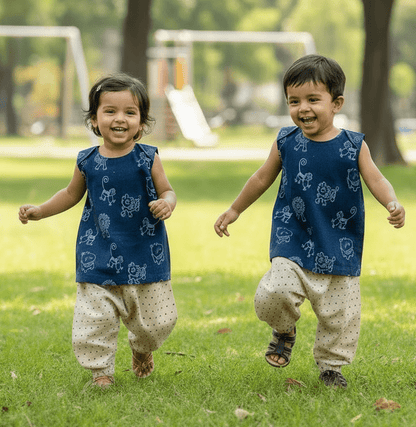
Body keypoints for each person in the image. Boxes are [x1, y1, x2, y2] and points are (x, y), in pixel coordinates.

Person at [214, 55, 405, 389]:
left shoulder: (353, 145)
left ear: (337, 103)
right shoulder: (286, 142)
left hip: (339, 242)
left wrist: (391, 202)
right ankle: (284, 330)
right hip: (293, 239)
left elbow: (375, 179)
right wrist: (234, 210)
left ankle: (331, 367)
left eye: (313, 100)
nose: (302, 108)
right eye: (294, 101)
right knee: (273, 292)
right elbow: (261, 179)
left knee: (340, 315)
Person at [19, 73, 178, 388]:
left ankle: (142, 349)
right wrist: (40, 211)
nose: (120, 118)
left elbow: (168, 191)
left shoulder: (148, 157)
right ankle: (100, 370)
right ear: (94, 119)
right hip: (97, 252)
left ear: (141, 122)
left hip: (145, 253)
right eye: (110, 111)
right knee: (94, 318)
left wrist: (167, 203)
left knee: (158, 322)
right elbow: (69, 195)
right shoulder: (87, 161)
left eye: (129, 112)